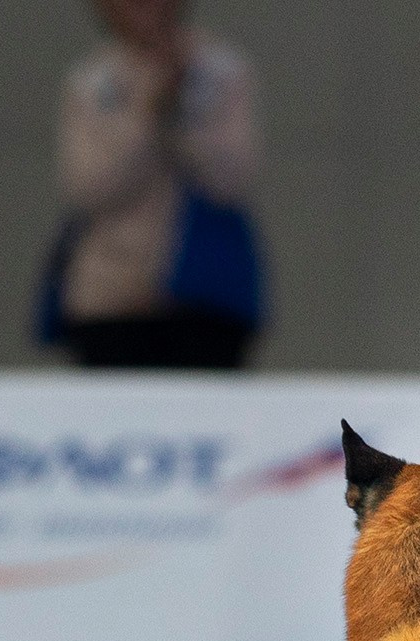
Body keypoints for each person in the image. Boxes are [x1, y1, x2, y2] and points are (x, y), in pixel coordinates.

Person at [50, 0, 263, 369]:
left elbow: (232, 179)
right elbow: (87, 186)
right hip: (110, 298)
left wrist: (182, 111)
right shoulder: (92, 81)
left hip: (206, 294)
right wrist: (147, 112)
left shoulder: (220, 72)